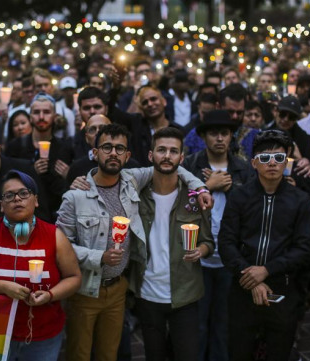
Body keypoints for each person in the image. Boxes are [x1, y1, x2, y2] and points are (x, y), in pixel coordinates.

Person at [57, 123, 208, 361]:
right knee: (79, 354)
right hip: (86, 288)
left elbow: (173, 166)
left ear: (128, 156)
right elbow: (60, 246)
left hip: (118, 288)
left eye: (120, 148)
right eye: (107, 147)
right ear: (95, 153)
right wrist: (99, 257)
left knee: (109, 354)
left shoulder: (132, 180)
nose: (114, 153)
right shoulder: (75, 196)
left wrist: (199, 187)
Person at [0, 170, 81, 361]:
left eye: (24, 193)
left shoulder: (54, 235)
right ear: (1, 206)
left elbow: (74, 278)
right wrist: (4, 287)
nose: (17, 199)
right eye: (9, 195)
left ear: (36, 200)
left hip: (43, 336)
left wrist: (50, 295)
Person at [219, 130, 310, 361]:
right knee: (239, 351)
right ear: (254, 163)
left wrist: (266, 270)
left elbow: (304, 249)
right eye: (264, 158)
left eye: (279, 158)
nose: (272, 163)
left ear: (287, 162)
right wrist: (251, 278)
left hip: (283, 288)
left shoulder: (299, 200)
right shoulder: (239, 197)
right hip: (243, 289)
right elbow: (226, 242)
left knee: (279, 352)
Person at [129, 127, 215, 361]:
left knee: (187, 355)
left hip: (184, 293)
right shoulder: (134, 193)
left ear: (182, 158)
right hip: (147, 292)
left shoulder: (194, 196)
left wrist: (201, 250)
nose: (167, 156)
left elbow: (209, 242)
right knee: (154, 356)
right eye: (162, 150)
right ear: (151, 155)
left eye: (173, 151)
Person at [183, 110, 254, 361]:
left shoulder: (243, 169)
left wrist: (231, 187)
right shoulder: (190, 165)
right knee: (198, 323)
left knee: (223, 324)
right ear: (203, 136)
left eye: (225, 133)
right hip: (198, 257)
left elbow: (251, 209)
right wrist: (207, 187)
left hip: (229, 258)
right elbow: (179, 208)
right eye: (214, 133)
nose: (220, 138)